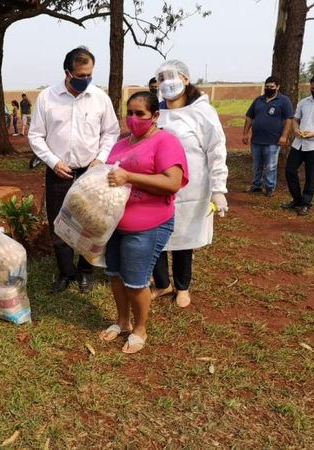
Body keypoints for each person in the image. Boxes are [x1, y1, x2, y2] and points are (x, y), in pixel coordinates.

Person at [100, 91, 188, 354]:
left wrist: (129, 177)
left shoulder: (165, 142)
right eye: (130, 113)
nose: (134, 118)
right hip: (116, 223)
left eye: (141, 114)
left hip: (147, 225)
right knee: (115, 275)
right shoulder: (121, 143)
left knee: (135, 281)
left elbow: (172, 182)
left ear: (155, 115)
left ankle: (140, 329)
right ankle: (122, 320)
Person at [29, 46, 120, 294]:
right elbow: (35, 135)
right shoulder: (47, 98)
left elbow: (111, 132)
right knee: (60, 222)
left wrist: (100, 159)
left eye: (89, 75)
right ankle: (65, 272)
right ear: (67, 72)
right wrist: (53, 161)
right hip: (60, 171)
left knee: (91, 222)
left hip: (91, 172)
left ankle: (86, 271)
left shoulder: (100, 98)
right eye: (80, 76)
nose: (85, 80)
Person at [151, 59, 229, 308]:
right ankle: (163, 284)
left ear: (186, 78)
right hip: (159, 185)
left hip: (191, 188)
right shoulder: (157, 112)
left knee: (184, 236)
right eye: (161, 78)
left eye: (171, 76)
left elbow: (216, 150)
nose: (167, 82)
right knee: (157, 235)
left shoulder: (202, 112)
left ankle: (183, 286)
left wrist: (218, 189)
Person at [282, 72, 314, 216]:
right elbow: (295, 119)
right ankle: (297, 199)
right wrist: (296, 130)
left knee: (311, 175)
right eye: (313, 88)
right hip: (299, 143)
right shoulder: (304, 102)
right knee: (290, 170)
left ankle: (306, 203)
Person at [242, 76, 293, 197]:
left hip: (273, 140)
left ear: (278, 87)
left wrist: (284, 136)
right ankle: (256, 186)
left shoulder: (284, 101)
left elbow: (288, 120)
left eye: (271, 87)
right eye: (267, 86)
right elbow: (249, 117)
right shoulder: (258, 100)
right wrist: (245, 133)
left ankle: (270, 188)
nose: (268, 89)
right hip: (256, 140)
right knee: (256, 165)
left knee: (270, 166)